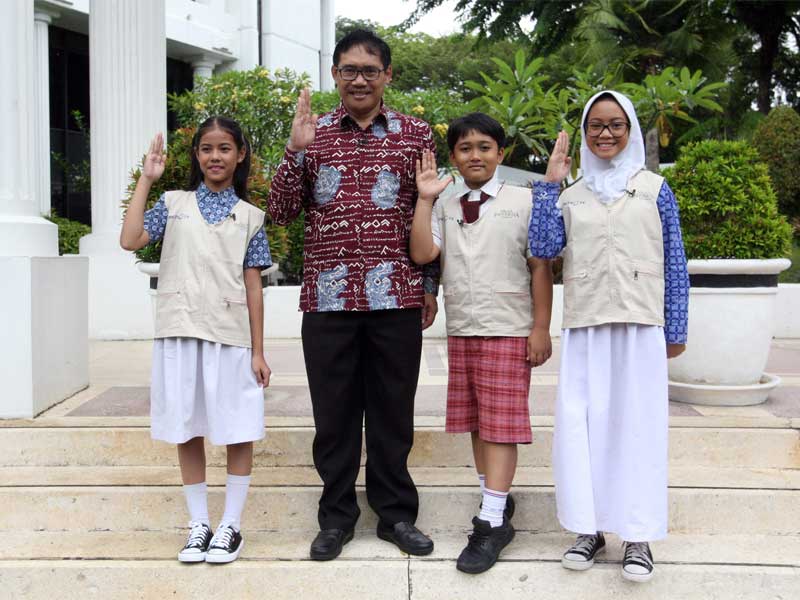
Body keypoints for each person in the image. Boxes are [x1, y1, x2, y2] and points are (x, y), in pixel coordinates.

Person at [267, 29, 439, 561]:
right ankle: (336, 518)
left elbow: (430, 211)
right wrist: (294, 153)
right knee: (334, 415)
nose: (358, 79)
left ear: (387, 75)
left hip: (397, 297)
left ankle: (395, 516)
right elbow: (280, 211)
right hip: (328, 299)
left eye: (369, 69)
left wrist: (430, 286)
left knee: (393, 412)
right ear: (335, 76)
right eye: (348, 70)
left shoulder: (416, 134)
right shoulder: (311, 134)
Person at [529, 90, 690, 583]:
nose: (605, 133)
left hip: (641, 327)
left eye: (615, 124)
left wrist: (676, 327)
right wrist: (548, 188)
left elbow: (675, 261)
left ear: (630, 130)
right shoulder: (571, 193)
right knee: (583, 429)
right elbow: (542, 248)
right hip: (588, 327)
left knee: (636, 427)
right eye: (595, 125)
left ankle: (637, 535)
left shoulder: (655, 188)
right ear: (584, 132)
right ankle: (588, 528)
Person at [120, 117, 273, 564]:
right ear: (196, 156)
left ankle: (230, 525)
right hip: (180, 330)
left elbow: (253, 288)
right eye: (206, 148)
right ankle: (198, 524)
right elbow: (130, 240)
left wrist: (259, 351)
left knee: (237, 427)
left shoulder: (250, 217)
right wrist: (147, 181)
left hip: (230, 337)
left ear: (240, 155)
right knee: (187, 427)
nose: (215, 157)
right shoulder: (173, 204)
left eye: (225, 148)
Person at [409, 112, 553, 573]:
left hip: (510, 327)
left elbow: (540, 267)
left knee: (501, 425)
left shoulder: (523, 200)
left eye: (485, 147)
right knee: (476, 421)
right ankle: (495, 495)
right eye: (466, 148)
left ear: (501, 153)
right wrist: (426, 200)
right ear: (453, 155)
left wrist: (541, 327)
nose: (475, 155)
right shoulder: (446, 203)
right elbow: (423, 253)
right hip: (465, 327)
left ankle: (491, 521)